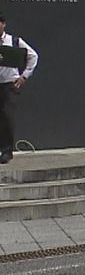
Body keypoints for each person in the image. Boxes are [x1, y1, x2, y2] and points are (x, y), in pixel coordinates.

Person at [0, 15, 38, 164]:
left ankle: (7, 151)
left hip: (9, 84)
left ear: (3, 24)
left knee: (7, 117)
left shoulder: (14, 41)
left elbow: (33, 56)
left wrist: (24, 77)